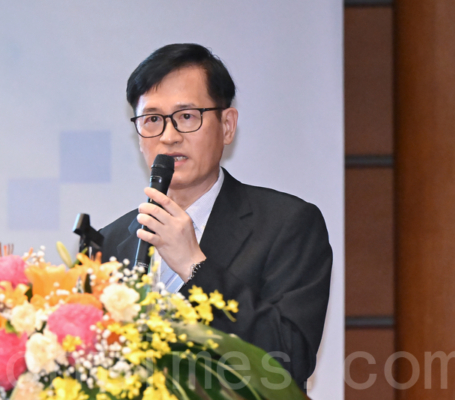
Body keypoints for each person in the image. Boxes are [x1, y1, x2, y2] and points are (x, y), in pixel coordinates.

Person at [99, 43, 332, 391]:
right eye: (152, 120)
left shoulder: (289, 225)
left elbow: (290, 359)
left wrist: (194, 266)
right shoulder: (111, 241)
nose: (169, 136)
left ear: (227, 125)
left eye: (187, 116)